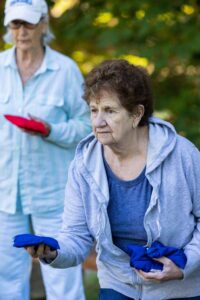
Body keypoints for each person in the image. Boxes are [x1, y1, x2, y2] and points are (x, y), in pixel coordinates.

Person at [25, 59, 200, 300]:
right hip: (118, 283)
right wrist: (53, 252)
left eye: (109, 111)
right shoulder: (84, 164)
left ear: (136, 114)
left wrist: (184, 264)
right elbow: (76, 236)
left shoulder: (182, 155)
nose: (97, 122)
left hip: (179, 287)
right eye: (93, 110)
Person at [0, 0, 91, 299]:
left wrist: (51, 130)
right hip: (5, 192)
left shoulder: (65, 69)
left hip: (53, 192)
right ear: (8, 27)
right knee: (6, 279)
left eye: (28, 23)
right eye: (15, 24)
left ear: (43, 24)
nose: (21, 31)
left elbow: (87, 126)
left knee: (62, 276)